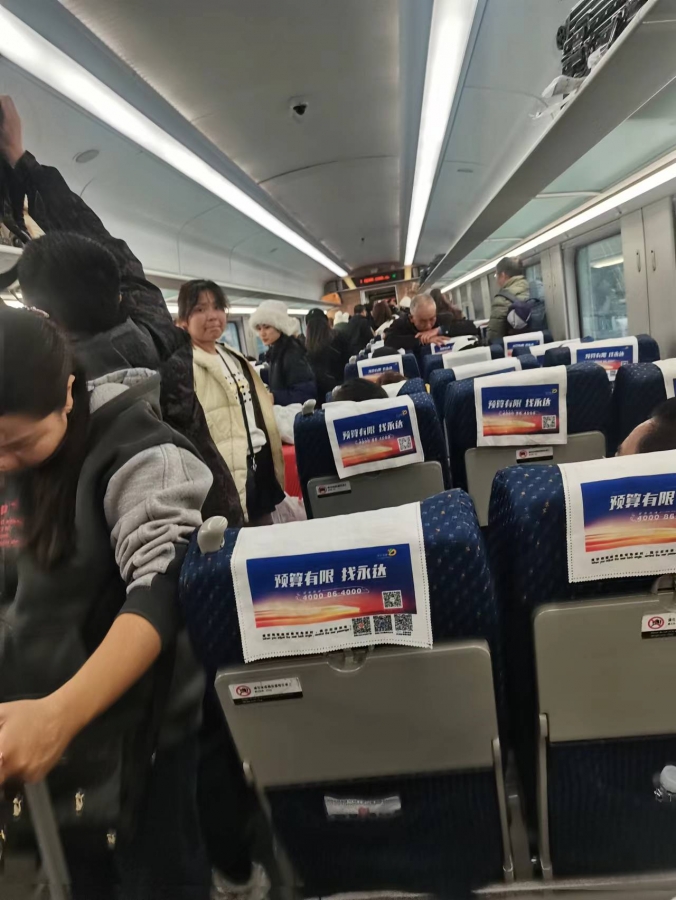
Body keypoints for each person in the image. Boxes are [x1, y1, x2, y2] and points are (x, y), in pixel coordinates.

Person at [0, 306, 212, 899]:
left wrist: (60, 715)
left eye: (17, 445)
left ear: (69, 394)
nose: (2, 463)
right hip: (33, 725)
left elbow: (162, 584)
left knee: (156, 877)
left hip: (136, 734)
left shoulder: (140, 453)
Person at [0, 95, 243, 526]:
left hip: (120, 540)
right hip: (213, 507)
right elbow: (111, 254)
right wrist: (22, 160)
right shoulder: (157, 332)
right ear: (115, 296)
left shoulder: (55, 387)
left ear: (46, 319)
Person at [177, 280, 285, 525]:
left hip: (258, 462)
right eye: (200, 309)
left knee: (268, 536)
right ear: (183, 320)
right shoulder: (185, 365)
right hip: (226, 472)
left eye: (217, 307)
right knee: (241, 541)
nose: (212, 316)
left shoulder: (230, 355)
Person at [250, 301, 316, 406]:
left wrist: (274, 397)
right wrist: (257, 373)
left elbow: (305, 394)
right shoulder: (278, 350)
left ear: (280, 327)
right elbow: (282, 375)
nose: (262, 333)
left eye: (267, 327)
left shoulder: (291, 353)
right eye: (259, 328)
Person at [385, 293, 478, 353]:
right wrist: (421, 340)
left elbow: (471, 327)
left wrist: (439, 330)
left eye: (432, 319)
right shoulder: (401, 324)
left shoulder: (444, 318)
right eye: (423, 321)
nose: (428, 325)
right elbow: (389, 341)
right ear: (411, 318)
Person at [305, 307, 350, 400]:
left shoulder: (305, 347)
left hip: (318, 394)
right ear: (326, 322)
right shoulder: (339, 337)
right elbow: (348, 363)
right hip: (341, 390)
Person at [487, 257, 532, 343]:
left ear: (503, 275)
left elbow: (494, 336)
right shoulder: (534, 288)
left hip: (515, 347)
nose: (496, 280)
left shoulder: (502, 300)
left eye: (496, 275)